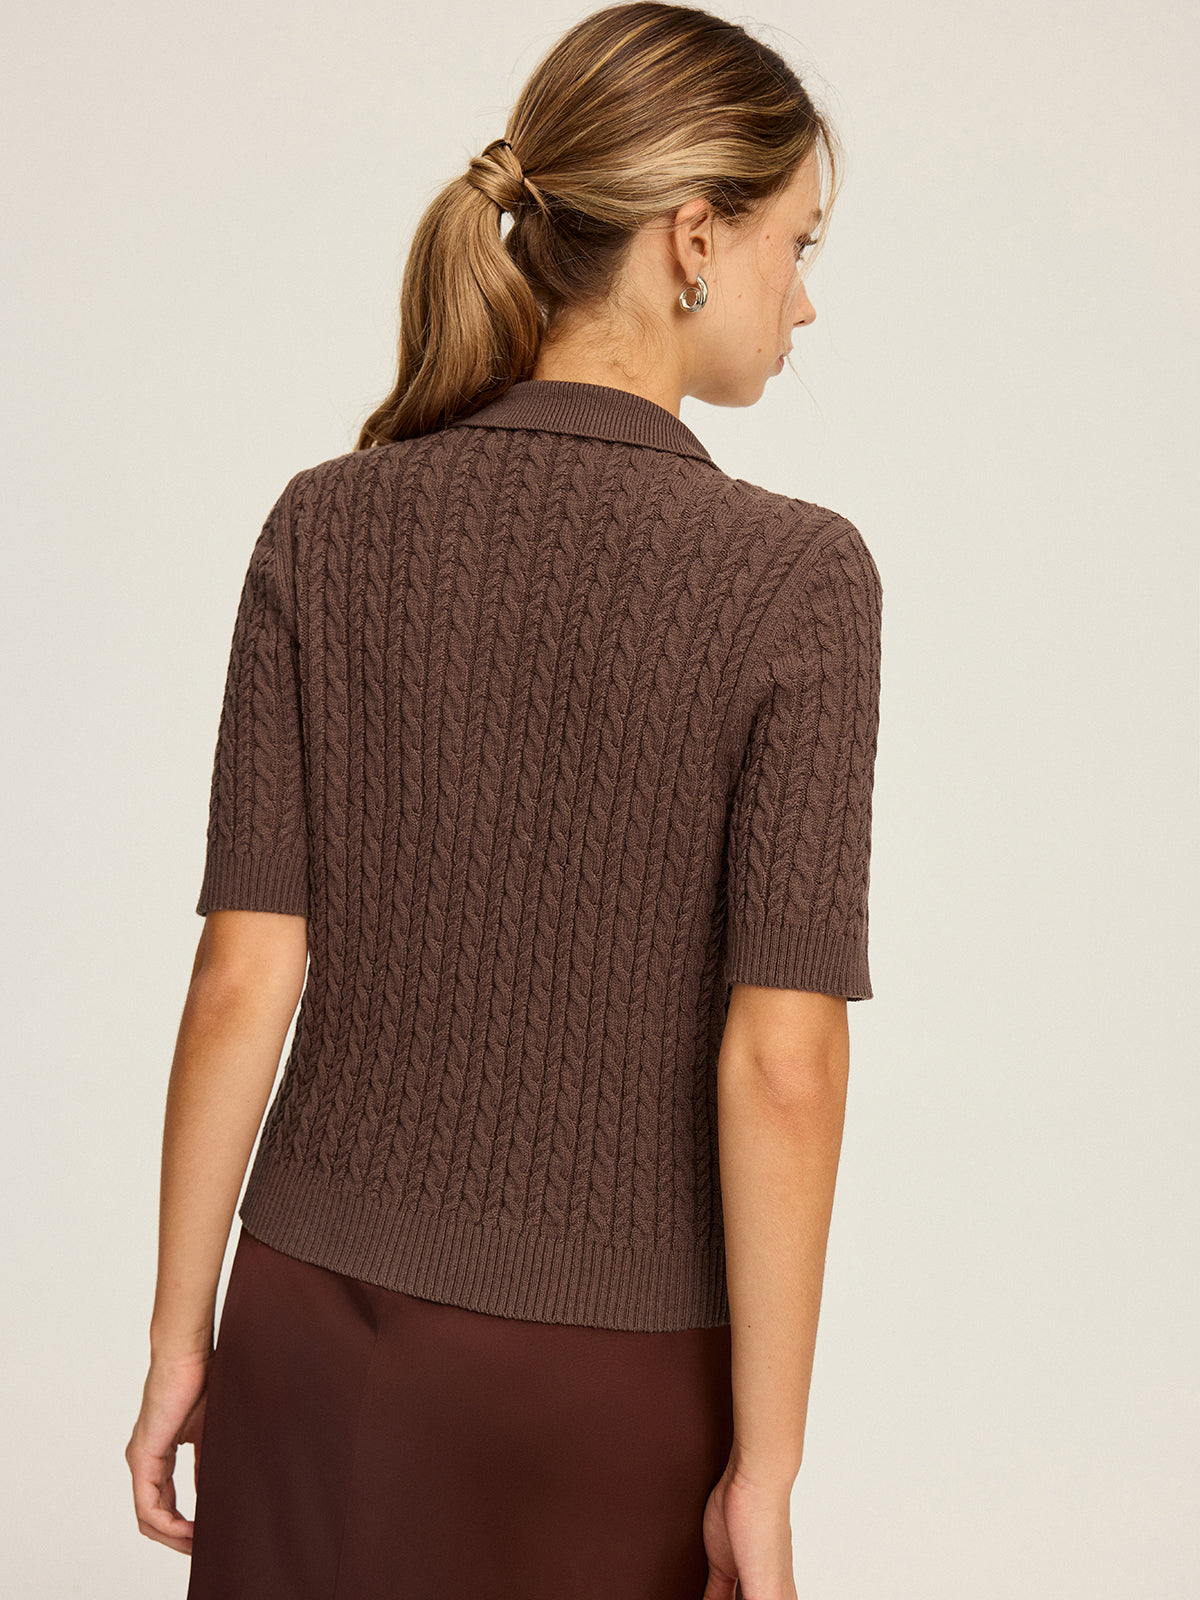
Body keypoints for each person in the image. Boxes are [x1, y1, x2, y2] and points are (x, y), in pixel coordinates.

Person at [124, 4, 883, 1597]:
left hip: (309, 1333)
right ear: (694, 238)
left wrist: (182, 1340)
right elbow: (784, 1059)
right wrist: (766, 1469)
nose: (807, 300)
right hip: (600, 1394)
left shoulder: (325, 525)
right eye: (797, 243)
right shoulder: (798, 578)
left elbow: (242, 978)